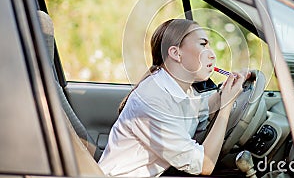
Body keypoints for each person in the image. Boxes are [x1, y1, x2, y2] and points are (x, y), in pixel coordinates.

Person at [98, 18, 246, 177]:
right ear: (176, 53)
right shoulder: (154, 100)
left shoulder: (179, 87)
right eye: (203, 45)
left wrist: (225, 92)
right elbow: (205, 164)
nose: (212, 55)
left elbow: (201, 110)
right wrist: (226, 106)